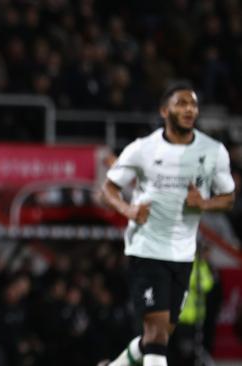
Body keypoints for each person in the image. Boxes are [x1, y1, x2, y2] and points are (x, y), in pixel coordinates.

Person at [100, 82, 235, 366]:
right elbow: (108, 188)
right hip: (146, 249)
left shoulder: (213, 151)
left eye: (193, 104)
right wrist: (129, 209)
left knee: (157, 338)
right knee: (157, 334)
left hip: (183, 255)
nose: (189, 109)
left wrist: (205, 203)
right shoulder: (143, 149)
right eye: (181, 104)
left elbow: (229, 197)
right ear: (164, 111)